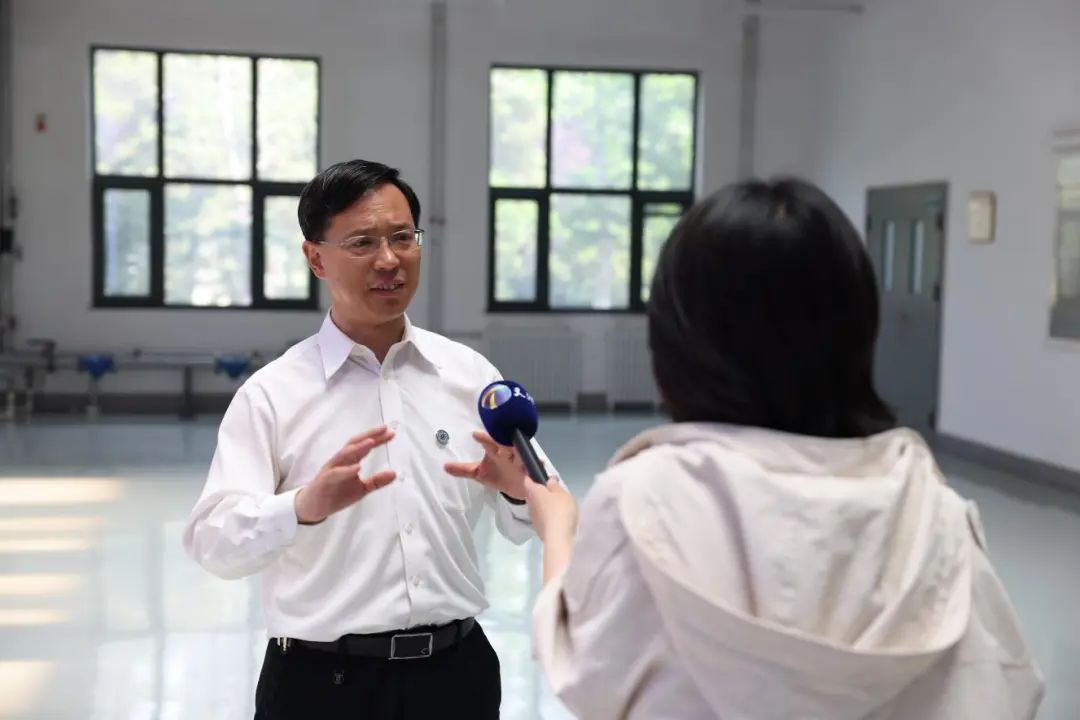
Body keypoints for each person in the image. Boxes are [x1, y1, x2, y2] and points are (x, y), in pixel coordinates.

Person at [523, 179, 1044, 719]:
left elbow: (582, 664)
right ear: (858, 329)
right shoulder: (933, 510)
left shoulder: (644, 497)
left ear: (675, 340)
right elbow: (1007, 686)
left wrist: (557, 525)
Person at [183, 159, 555, 720]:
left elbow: (538, 512)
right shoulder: (273, 395)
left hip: (456, 678)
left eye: (402, 238)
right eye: (362, 243)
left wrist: (516, 491)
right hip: (321, 687)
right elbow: (212, 542)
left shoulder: (470, 375)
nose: (389, 260)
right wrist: (301, 508)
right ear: (315, 258)